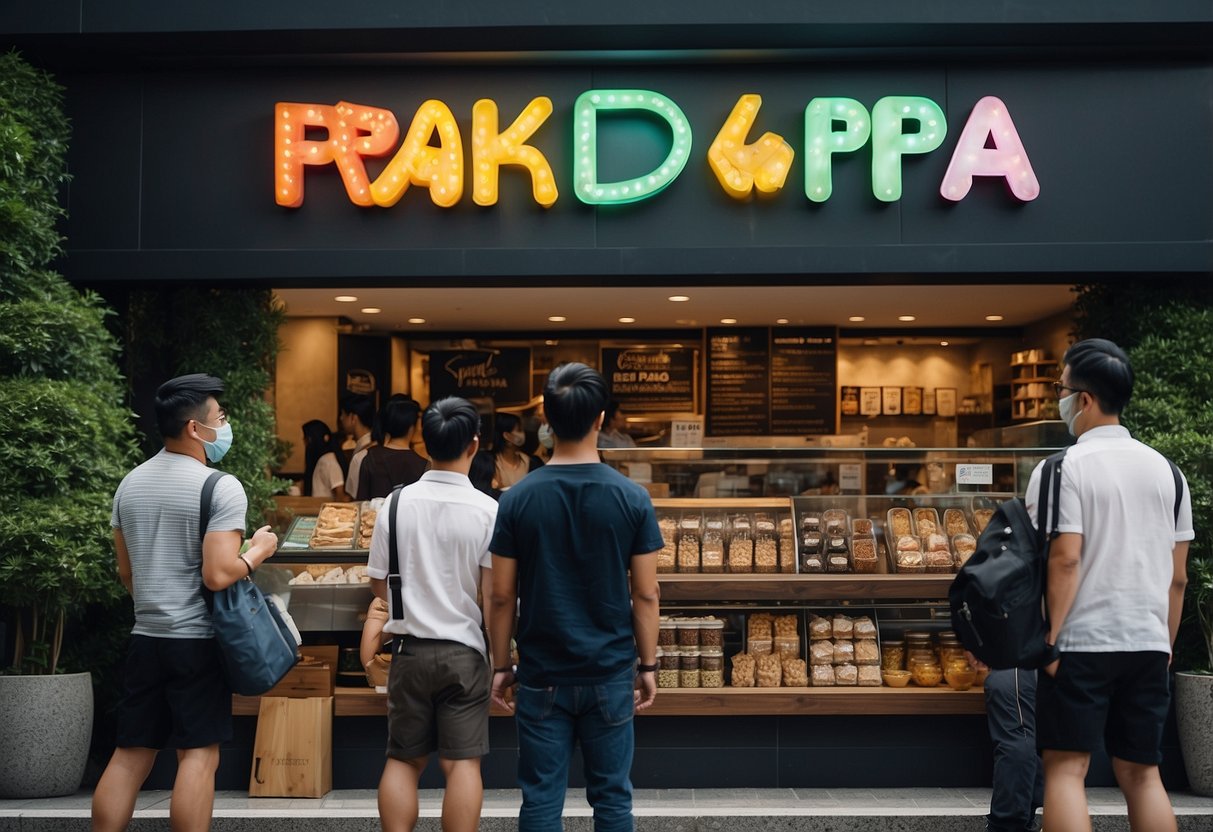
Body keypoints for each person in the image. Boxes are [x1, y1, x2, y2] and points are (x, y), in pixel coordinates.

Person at [92, 373, 279, 832]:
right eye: (220, 417)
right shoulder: (219, 486)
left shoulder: (129, 485)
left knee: (131, 754)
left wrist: (157, 606)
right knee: (198, 755)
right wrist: (257, 550)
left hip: (146, 637)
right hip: (195, 642)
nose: (225, 424)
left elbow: (127, 573)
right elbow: (218, 574)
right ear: (196, 428)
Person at [488, 363, 662, 832]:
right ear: (601, 419)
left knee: (541, 798)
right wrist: (647, 666)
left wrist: (501, 666)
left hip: (541, 673)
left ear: (546, 417)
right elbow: (646, 593)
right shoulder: (632, 497)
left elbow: (501, 596)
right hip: (610, 672)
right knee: (612, 799)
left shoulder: (517, 500)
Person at [1031, 338, 1193, 832]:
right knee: (1143, 774)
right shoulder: (1169, 472)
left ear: (1083, 399)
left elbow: (1065, 559)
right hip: (1147, 641)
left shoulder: (1061, 469)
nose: (1058, 398)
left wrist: (1051, 640)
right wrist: (1163, 645)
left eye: (1060, 388)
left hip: (1080, 639)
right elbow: (1178, 576)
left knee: (1065, 768)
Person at [365, 396, 498, 832]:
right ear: (473, 445)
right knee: (462, 766)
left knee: (403, 761)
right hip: (464, 652)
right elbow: (494, 597)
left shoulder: (396, 505)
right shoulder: (487, 510)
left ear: (425, 442)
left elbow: (378, 584)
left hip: (408, 651)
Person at [980, 665, 1044, 832]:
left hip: (1021, 659)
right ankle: (1023, 818)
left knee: (1017, 738)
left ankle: (1008, 824)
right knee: (1032, 740)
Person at [357, 397, 427, 500]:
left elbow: (362, 502)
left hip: (375, 515)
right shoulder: (422, 465)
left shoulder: (370, 457)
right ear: (411, 426)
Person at [491, 412, 542, 490]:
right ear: (507, 436)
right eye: (519, 430)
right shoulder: (490, 465)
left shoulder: (532, 463)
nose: (523, 434)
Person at [341, 392, 377, 498]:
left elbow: (352, 495)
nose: (341, 418)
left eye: (342, 414)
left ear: (353, 418)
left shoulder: (362, 455)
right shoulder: (377, 444)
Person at [302, 419, 349, 499]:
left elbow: (340, 494)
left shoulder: (329, 461)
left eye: (307, 439)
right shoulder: (322, 460)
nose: (305, 442)